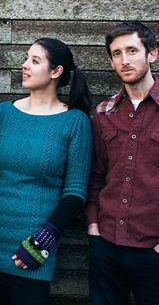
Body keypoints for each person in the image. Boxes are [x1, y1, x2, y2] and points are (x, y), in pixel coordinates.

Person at [0, 38, 93, 304]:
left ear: (56, 71)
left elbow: (75, 191)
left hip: (34, 246)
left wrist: (45, 238)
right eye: (27, 58)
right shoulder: (4, 113)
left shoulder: (75, 121)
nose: (24, 65)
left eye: (35, 61)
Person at [85, 21, 159, 304]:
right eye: (117, 53)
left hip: (153, 250)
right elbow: (97, 175)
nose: (124, 60)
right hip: (107, 247)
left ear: (152, 54)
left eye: (132, 50)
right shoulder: (104, 112)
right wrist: (93, 227)